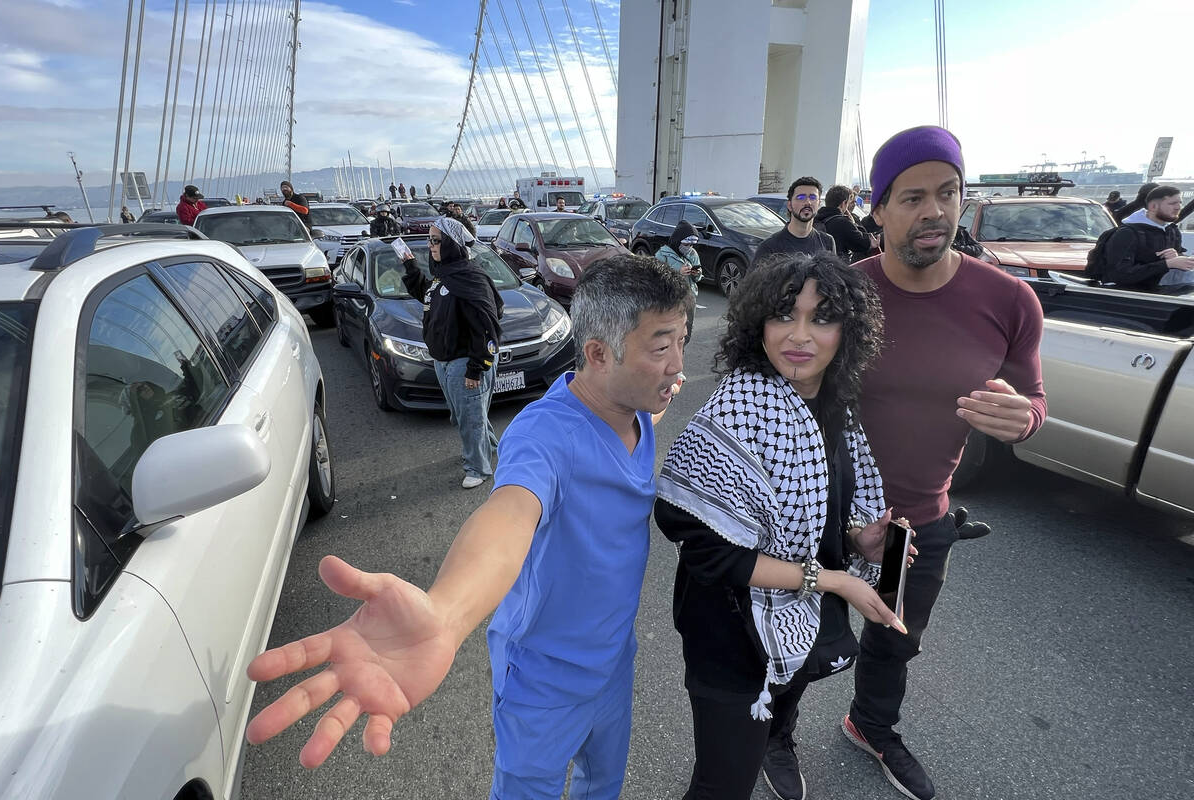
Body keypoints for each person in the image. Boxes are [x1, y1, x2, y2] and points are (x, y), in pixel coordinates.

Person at [244, 255, 692, 799]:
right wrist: (446, 615)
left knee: (603, 787)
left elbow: (642, 420)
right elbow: (508, 517)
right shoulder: (545, 436)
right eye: (661, 346)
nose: (677, 365)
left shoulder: (637, 407)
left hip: (614, 662)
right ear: (598, 354)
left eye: (682, 341)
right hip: (544, 684)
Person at [841, 125, 1047, 800]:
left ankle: (871, 725)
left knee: (893, 637)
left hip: (914, 524)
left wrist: (1027, 418)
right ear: (878, 209)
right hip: (822, 518)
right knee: (790, 637)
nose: (934, 209)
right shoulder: (840, 294)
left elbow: (1032, 400)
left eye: (949, 192)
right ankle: (771, 736)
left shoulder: (1010, 302)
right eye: (913, 196)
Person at [655, 253, 909, 800]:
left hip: (793, 624)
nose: (799, 335)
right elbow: (710, 554)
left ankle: (773, 744)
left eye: (821, 318)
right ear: (757, 324)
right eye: (783, 315)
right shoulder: (739, 411)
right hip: (730, 634)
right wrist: (837, 580)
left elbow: (815, 517)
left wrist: (856, 541)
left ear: (849, 331)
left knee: (765, 731)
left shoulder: (835, 409)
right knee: (723, 784)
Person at [399, 216, 503, 488]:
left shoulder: (469, 277)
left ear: (451, 244)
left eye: (436, 240)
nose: (430, 245)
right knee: (465, 415)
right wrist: (410, 265)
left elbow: (486, 326)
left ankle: (478, 469)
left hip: (464, 362)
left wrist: (476, 367)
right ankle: (491, 447)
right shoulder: (443, 276)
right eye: (429, 240)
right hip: (443, 361)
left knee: (470, 419)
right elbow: (427, 295)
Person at [1102, 185, 1194, 289]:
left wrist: (1177, 256)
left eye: (1180, 202)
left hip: (1164, 295)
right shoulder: (1127, 233)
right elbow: (1118, 274)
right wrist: (1167, 264)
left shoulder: (1172, 230)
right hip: (1131, 298)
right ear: (1153, 206)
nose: (1178, 207)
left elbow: (1171, 262)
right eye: (1172, 203)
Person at [754, 177, 836, 264]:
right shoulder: (770, 247)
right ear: (789, 205)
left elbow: (833, 276)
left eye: (812, 197)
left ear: (819, 204)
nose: (808, 202)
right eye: (801, 197)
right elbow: (755, 277)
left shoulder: (827, 242)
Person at [653, 220, 702, 339]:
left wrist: (696, 273)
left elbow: (698, 277)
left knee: (686, 334)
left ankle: (681, 354)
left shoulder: (692, 253)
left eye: (691, 245)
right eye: (686, 244)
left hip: (689, 298)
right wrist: (678, 272)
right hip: (671, 300)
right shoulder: (662, 254)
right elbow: (655, 278)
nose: (689, 248)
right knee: (671, 335)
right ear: (678, 240)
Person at [815, 185, 880, 263]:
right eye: (849, 202)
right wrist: (853, 222)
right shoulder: (843, 222)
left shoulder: (816, 219)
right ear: (843, 203)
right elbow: (862, 244)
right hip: (838, 268)